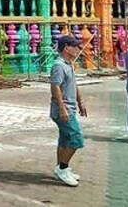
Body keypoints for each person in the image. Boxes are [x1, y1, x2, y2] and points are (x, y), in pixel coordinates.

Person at [50, 35, 87, 187]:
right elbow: (55, 87)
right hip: (63, 110)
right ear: (66, 48)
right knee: (76, 139)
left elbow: (74, 84)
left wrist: (80, 101)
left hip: (69, 107)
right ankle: (62, 168)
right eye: (75, 46)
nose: (78, 49)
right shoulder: (59, 65)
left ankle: (61, 168)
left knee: (65, 140)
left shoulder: (69, 64)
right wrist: (62, 108)